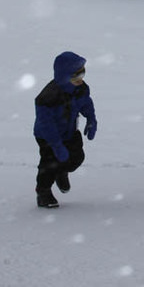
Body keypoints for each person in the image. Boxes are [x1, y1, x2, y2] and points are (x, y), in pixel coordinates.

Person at [33, 51, 97, 208]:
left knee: (76, 158)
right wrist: (56, 145)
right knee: (50, 164)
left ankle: (62, 171)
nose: (80, 79)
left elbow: (86, 103)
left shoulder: (80, 89)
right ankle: (43, 192)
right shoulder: (48, 98)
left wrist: (91, 119)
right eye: (76, 75)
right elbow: (46, 125)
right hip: (48, 136)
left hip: (68, 132)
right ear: (64, 76)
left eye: (82, 73)